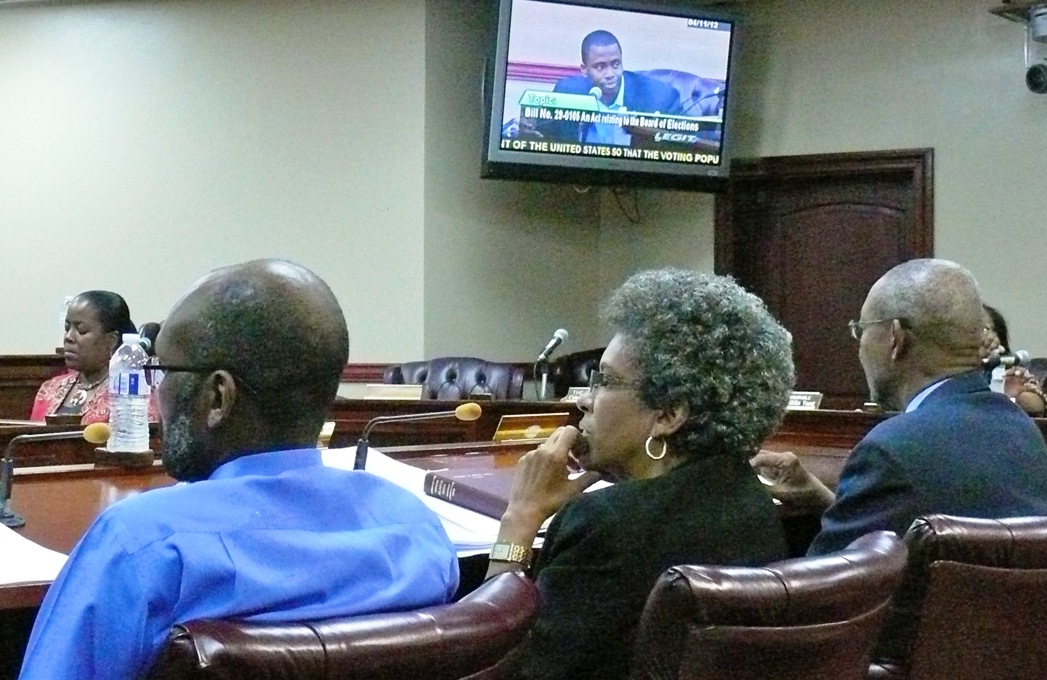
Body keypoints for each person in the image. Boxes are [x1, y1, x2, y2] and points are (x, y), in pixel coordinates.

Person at [19, 259, 460, 680]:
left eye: (163, 371)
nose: (159, 390)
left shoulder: (140, 547)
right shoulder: (418, 532)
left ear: (217, 398)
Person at [485, 268, 794, 680]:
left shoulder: (606, 523)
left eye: (606, 382)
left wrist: (519, 521)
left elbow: (493, 664)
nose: (585, 402)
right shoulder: (748, 495)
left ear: (668, 414)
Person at [753, 259, 1047, 557]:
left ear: (896, 338)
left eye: (861, 330)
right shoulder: (1023, 431)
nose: (859, 345)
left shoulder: (892, 447)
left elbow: (828, 586)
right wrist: (822, 498)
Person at [531, 30, 682, 145]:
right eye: (600, 66)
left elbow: (685, 150)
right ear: (584, 69)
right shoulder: (567, 92)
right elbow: (544, 140)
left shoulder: (661, 99)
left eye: (615, 64)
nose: (610, 74)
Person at [30, 290, 159, 424]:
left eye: (81, 331)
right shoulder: (50, 389)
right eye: (67, 328)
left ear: (111, 340)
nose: (68, 337)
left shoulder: (129, 396)